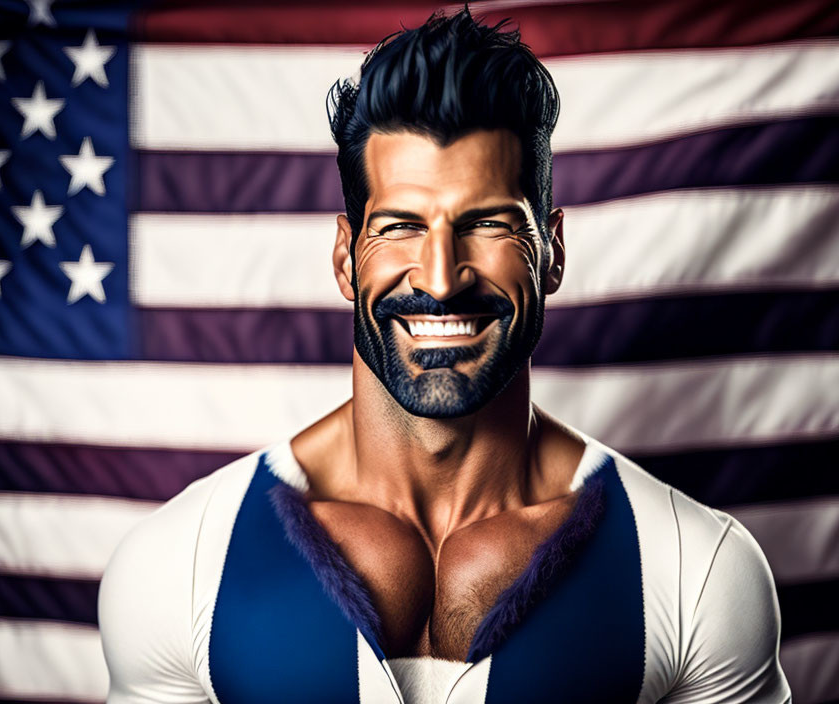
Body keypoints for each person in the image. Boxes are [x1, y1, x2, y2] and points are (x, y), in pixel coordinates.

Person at [98, 8, 791, 703]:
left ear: (550, 251)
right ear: (346, 257)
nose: (439, 276)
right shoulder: (180, 566)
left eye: (486, 223)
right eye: (401, 226)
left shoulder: (697, 572)